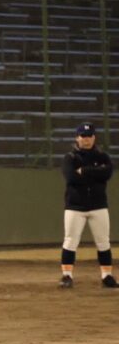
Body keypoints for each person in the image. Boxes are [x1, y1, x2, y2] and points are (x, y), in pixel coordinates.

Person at [59, 122, 115, 288]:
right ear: (77, 138)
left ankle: (107, 276)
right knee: (70, 241)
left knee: (103, 242)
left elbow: (107, 173)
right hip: (75, 206)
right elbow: (71, 177)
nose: (86, 139)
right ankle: (67, 275)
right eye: (83, 136)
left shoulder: (102, 156)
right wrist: (96, 174)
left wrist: (84, 171)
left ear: (94, 137)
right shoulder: (70, 157)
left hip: (98, 205)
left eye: (89, 136)